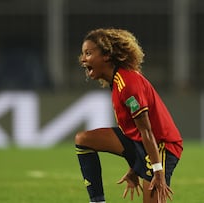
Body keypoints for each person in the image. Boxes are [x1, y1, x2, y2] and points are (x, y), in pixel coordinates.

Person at [75, 28, 183, 203]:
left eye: (88, 53)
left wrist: (158, 171)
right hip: (140, 142)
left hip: (162, 146)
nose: (83, 59)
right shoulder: (117, 82)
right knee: (84, 139)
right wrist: (135, 168)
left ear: (106, 56)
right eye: (83, 54)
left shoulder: (128, 85)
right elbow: (133, 132)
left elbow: (147, 130)